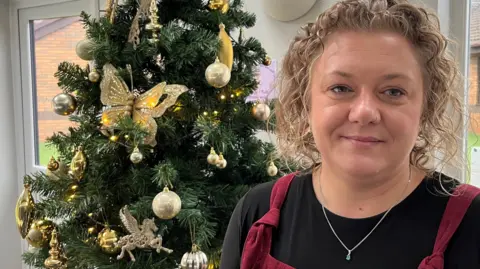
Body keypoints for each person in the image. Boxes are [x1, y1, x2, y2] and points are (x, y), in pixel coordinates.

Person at [219, 0, 480, 268]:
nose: (364, 112)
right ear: (306, 104)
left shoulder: (472, 222)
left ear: (425, 110)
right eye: (341, 88)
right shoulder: (256, 214)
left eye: (393, 91)